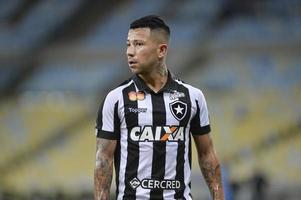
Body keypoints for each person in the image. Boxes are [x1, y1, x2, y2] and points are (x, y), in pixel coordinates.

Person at [94, 15, 224, 200]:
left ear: (161, 50)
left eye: (138, 44)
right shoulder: (116, 99)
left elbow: (207, 154)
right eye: (128, 44)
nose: (130, 52)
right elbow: (103, 160)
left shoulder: (193, 97)